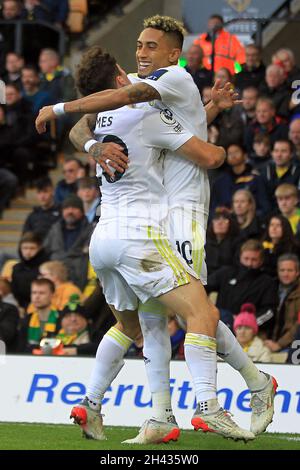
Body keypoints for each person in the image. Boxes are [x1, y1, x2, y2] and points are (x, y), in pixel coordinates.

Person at [36, 18, 276, 441]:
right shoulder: (145, 108)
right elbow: (204, 154)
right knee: (200, 312)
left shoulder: (113, 112)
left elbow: (83, 127)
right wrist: (225, 151)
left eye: (150, 46)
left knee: (140, 325)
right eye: (138, 47)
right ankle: (219, 400)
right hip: (155, 227)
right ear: (117, 79)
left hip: (105, 238)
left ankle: (114, 406)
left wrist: (91, 143)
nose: (141, 55)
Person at [207, 239, 277, 334]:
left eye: (254, 260)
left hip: (247, 333)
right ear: (240, 257)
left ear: (261, 261)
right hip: (219, 325)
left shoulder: (267, 282)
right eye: (246, 258)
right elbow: (202, 287)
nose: (249, 263)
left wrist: (245, 323)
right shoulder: (227, 273)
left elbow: (269, 312)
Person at [43, 195, 93, 290]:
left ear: (82, 211)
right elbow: (45, 250)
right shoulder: (55, 229)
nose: (70, 211)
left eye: (74, 208)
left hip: (80, 275)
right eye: (66, 208)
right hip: (54, 277)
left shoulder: (90, 230)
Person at [210, 143, 271, 216]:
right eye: (230, 153)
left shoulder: (256, 179)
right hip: (225, 222)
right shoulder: (219, 182)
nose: (233, 156)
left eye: (236, 152)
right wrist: (219, 210)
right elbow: (212, 208)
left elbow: (265, 208)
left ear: (245, 156)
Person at [265, 254, 300, 352]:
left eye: (290, 270)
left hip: (290, 345)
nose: (285, 274)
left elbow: (298, 325)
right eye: (282, 270)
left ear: (297, 272)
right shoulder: (270, 288)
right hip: (268, 342)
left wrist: (279, 344)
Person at [18, 278, 59, 353]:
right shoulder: (27, 319)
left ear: (52, 295)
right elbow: (21, 348)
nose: (37, 297)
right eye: (34, 293)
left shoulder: (60, 318)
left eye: (42, 293)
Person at [11, 232, 49, 309]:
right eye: (25, 248)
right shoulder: (16, 268)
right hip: (22, 307)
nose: (28, 252)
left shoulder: (46, 267)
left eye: (32, 248)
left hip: (43, 307)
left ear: (39, 248)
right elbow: (15, 292)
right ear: (20, 249)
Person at [259, 139, 300, 208]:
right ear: (271, 153)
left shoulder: (298, 172)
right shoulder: (264, 172)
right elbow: (263, 199)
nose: (279, 155)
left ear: (291, 154)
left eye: (283, 151)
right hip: (269, 215)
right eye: (276, 151)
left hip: (294, 213)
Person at [262, 215, 299, 279]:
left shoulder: (294, 248)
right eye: (271, 225)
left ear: (285, 228)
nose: (274, 228)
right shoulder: (262, 245)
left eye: (278, 225)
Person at [206, 208, 239, 275]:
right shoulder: (205, 242)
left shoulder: (237, 242)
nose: (220, 222)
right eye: (216, 219)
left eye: (224, 219)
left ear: (231, 223)